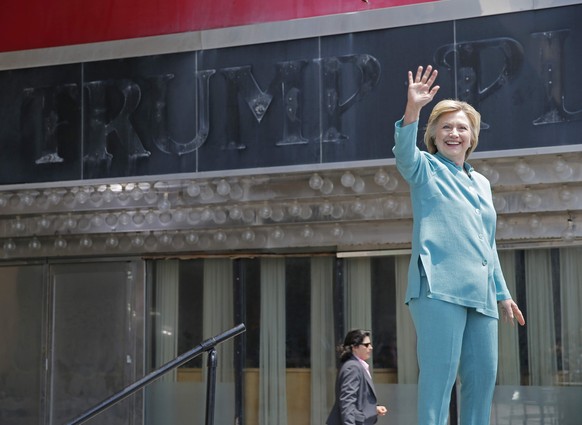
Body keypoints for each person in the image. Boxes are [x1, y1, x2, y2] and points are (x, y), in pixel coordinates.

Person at [392, 65, 526, 425]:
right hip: (438, 289)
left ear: (472, 137)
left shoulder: (481, 182)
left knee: (481, 381)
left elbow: (488, 241)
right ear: (433, 135)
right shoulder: (425, 169)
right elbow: (403, 154)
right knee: (438, 382)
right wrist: (412, 110)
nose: (454, 133)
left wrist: (502, 291)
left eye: (462, 127)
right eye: (446, 127)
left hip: (481, 293)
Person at [326, 329, 388, 425]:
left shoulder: (354, 365)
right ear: (354, 347)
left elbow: (359, 400)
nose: (370, 347)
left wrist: (373, 409)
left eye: (370, 344)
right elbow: (347, 402)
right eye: (366, 345)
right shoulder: (353, 367)